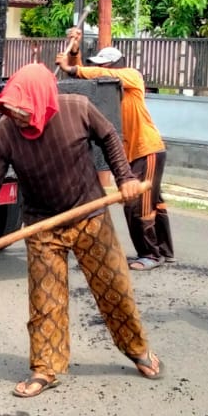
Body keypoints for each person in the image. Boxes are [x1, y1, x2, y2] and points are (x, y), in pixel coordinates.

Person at [0, 63, 162, 398]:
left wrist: (124, 177)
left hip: (89, 215)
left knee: (114, 287)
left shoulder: (77, 109)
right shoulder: (4, 133)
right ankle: (45, 368)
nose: (17, 118)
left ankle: (137, 348)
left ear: (42, 101)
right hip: (42, 224)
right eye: (10, 110)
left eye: (22, 111)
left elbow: (110, 135)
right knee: (45, 301)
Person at [56, 31, 173, 269]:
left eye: (104, 66)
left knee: (137, 202)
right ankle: (163, 250)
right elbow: (86, 82)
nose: (100, 70)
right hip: (133, 153)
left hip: (146, 149)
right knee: (152, 200)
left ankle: (151, 254)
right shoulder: (110, 91)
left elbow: (101, 74)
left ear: (114, 65)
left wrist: (71, 69)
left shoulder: (131, 77)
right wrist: (75, 52)